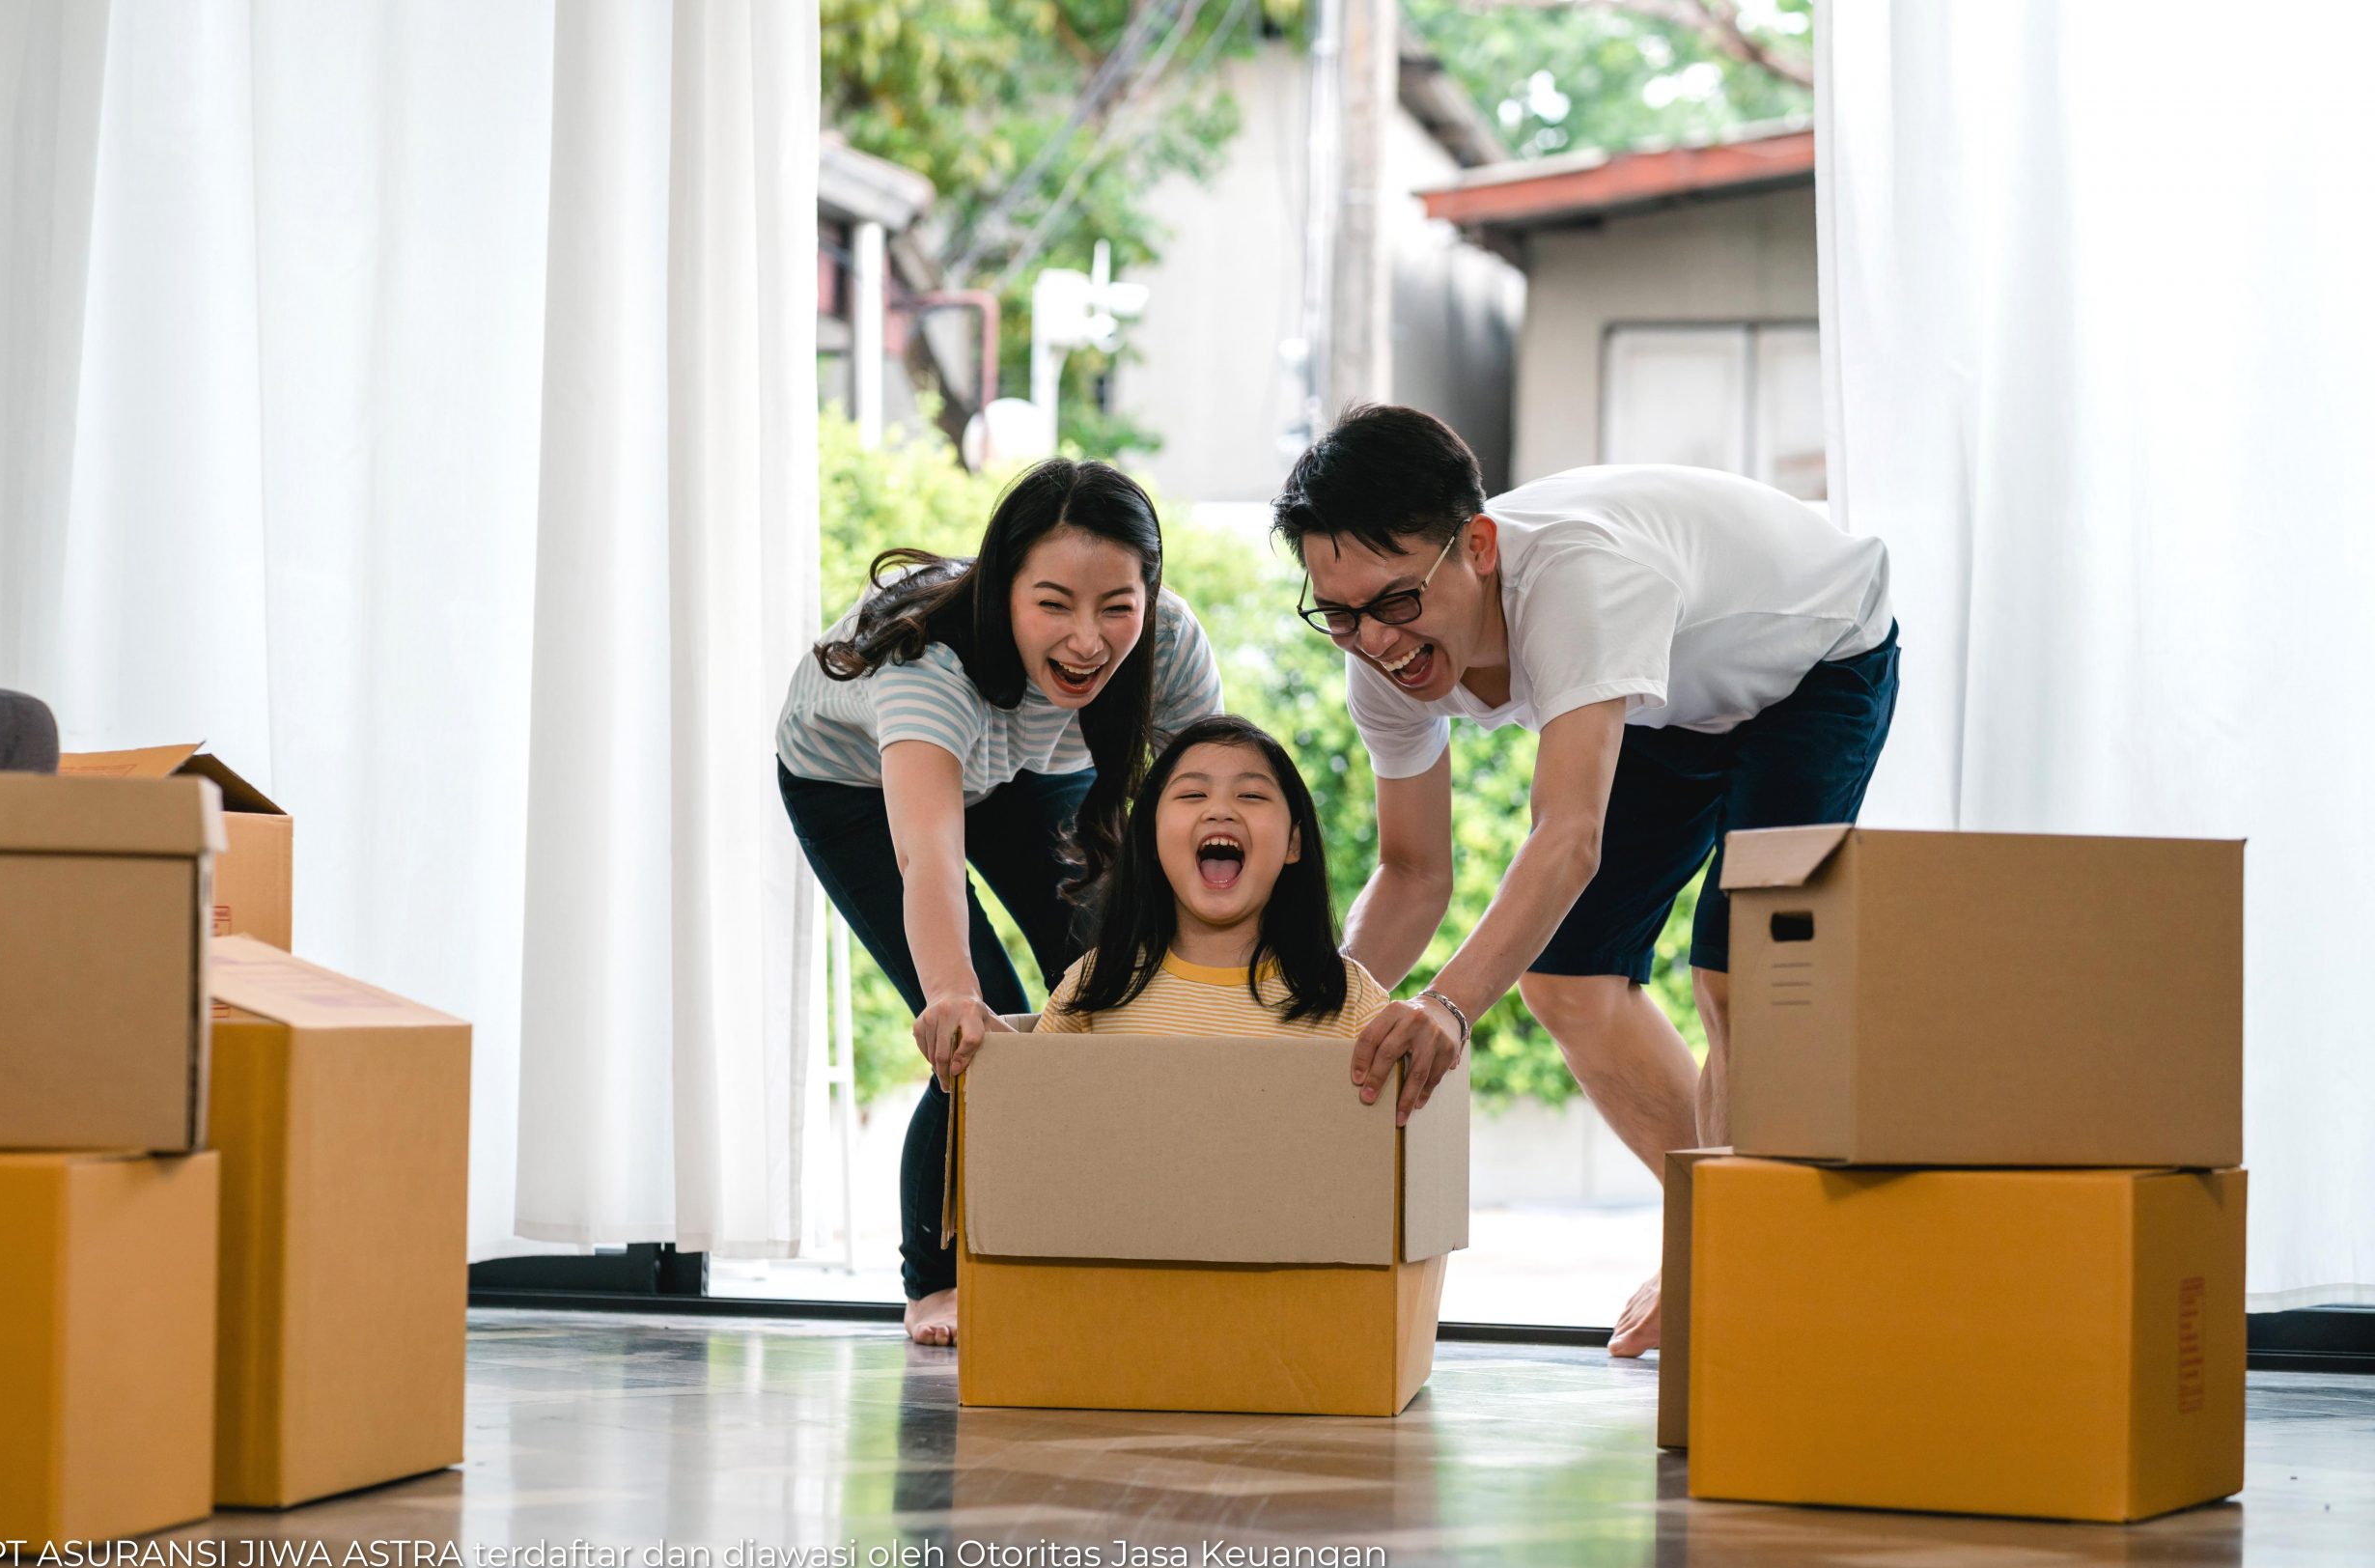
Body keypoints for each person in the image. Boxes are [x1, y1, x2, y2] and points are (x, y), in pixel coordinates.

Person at [1273, 406, 1898, 1356]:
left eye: (1396, 602)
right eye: (1339, 614)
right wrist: (1306, 1023)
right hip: (1673, 702)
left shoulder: (1580, 583)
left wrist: (1446, 1007)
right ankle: (1723, 1228)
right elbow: (1412, 873)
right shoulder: (1379, 656)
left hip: (1816, 663)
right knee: (1567, 980)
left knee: (1740, 975)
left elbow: (1568, 838)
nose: (1375, 641)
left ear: (1478, 548)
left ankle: (1733, 1261)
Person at [776, 460, 1222, 1348]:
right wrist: (951, 992)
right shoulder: (927, 662)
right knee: (987, 1029)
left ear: (1149, 591)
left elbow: (1214, 808)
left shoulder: (1169, 641)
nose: (1088, 640)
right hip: (856, 785)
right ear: (1002, 588)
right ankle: (933, 1280)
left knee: (1120, 990)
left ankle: (1111, 1239)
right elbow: (928, 853)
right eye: (1053, 604)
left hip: (1028, 768)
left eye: (1116, 606)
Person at [1034, 714, 1389, 1040]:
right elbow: (1031, 1087)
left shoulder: (1352, 999)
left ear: (1292, 843)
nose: (1220, 811)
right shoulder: (1094, 983)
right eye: (1193, 794)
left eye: (1251, 795)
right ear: (1152, 838)